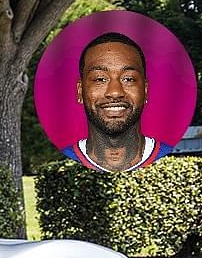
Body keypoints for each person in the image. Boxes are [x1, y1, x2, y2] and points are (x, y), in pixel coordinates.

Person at [63, 31, 172, 172]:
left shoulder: (169, 158)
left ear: (145, 90)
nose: (115, 92)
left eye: (128, 79)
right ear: (80, 91)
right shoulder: (65, 163)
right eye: (100, 79)